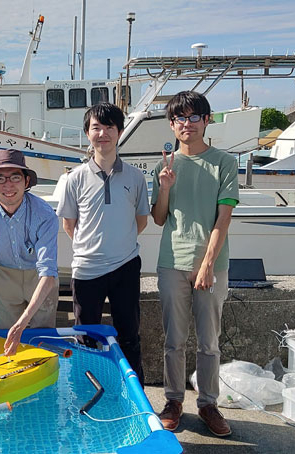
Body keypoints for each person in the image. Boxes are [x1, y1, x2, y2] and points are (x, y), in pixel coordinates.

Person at [151, 91, 239, 437]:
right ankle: (173, 400)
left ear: (207, 120)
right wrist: (164, 187)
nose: (187, 124)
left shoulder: (223, 162)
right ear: (172, 125)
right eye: (179, 119)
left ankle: (208, 403)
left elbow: (224, 218)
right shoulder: (166, 164)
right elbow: (159, 218)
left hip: (212, 266)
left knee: (209, 341)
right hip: (172, 261)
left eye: (193, 117)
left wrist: (207, 264)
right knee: (174, 338)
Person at [56, 102, 149, 385]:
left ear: (119, 132)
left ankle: (135, 394)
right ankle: (86, 390)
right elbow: (68, 225)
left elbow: (141, 220)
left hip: (126, 267)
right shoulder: (74, 179)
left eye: (110, 126)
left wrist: (118, 244)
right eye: (96, 127)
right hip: (87, 270)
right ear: (87, 133)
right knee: (86, 337)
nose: (103, 133)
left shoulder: (135, 177)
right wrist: (92, 247)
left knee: (129, 334)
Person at [0, 149, 59, 356]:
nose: (8, 185)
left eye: (15, 177)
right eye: (0, 178)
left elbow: (48, 273)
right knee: (6, 341)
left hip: (39, 278)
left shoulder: (44, 214)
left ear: (26, 181)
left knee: (42, 341)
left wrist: (22, 325)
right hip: (4, 275)